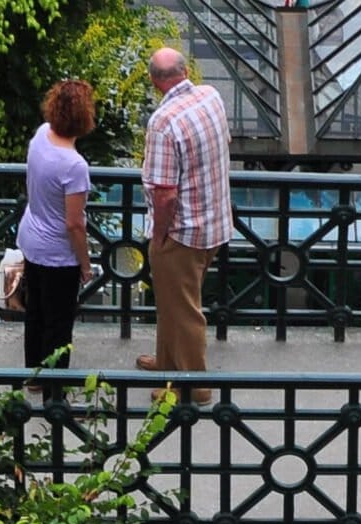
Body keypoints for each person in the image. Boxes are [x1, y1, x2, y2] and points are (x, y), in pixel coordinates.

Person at [139, 48, 232, 405]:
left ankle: (194, 385)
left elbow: (164, 194)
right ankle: (167, 366)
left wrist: (160, 235)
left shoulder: (163, 122)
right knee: (172, 302)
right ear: (185, 71)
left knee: (183, 309)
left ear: (154, 80)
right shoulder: (211, 96)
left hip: (183, 232)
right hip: (214, 222)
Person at [18, 79, 96, 399]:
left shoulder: (40, 136)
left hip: (31, 239)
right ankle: (54, 393)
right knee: (59, 324)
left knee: (35, 312)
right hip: (58, 253)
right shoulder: (75, 166)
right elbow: (74, 224)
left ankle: (34, 377)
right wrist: (85, 263)